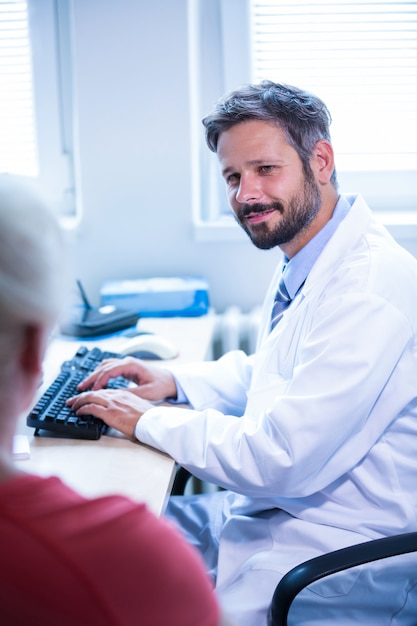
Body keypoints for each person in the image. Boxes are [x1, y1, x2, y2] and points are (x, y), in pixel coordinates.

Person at [68, 81, 417, 625]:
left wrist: (151, 421)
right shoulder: (311, 254)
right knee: (92, 544)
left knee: (108, 592)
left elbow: (279, 458)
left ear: (320, 161)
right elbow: (285, 371)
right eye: (233, 177)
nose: (245, 194)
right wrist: (177, 383)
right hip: (274, 521)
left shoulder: (369, 285)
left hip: (333, 559)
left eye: (265, 170)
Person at [0, 176, 228, 626]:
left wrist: (162, 395)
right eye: (234, 177)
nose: (246, 193)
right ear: (34, 347)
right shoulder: (127, 560)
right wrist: (151, 416)